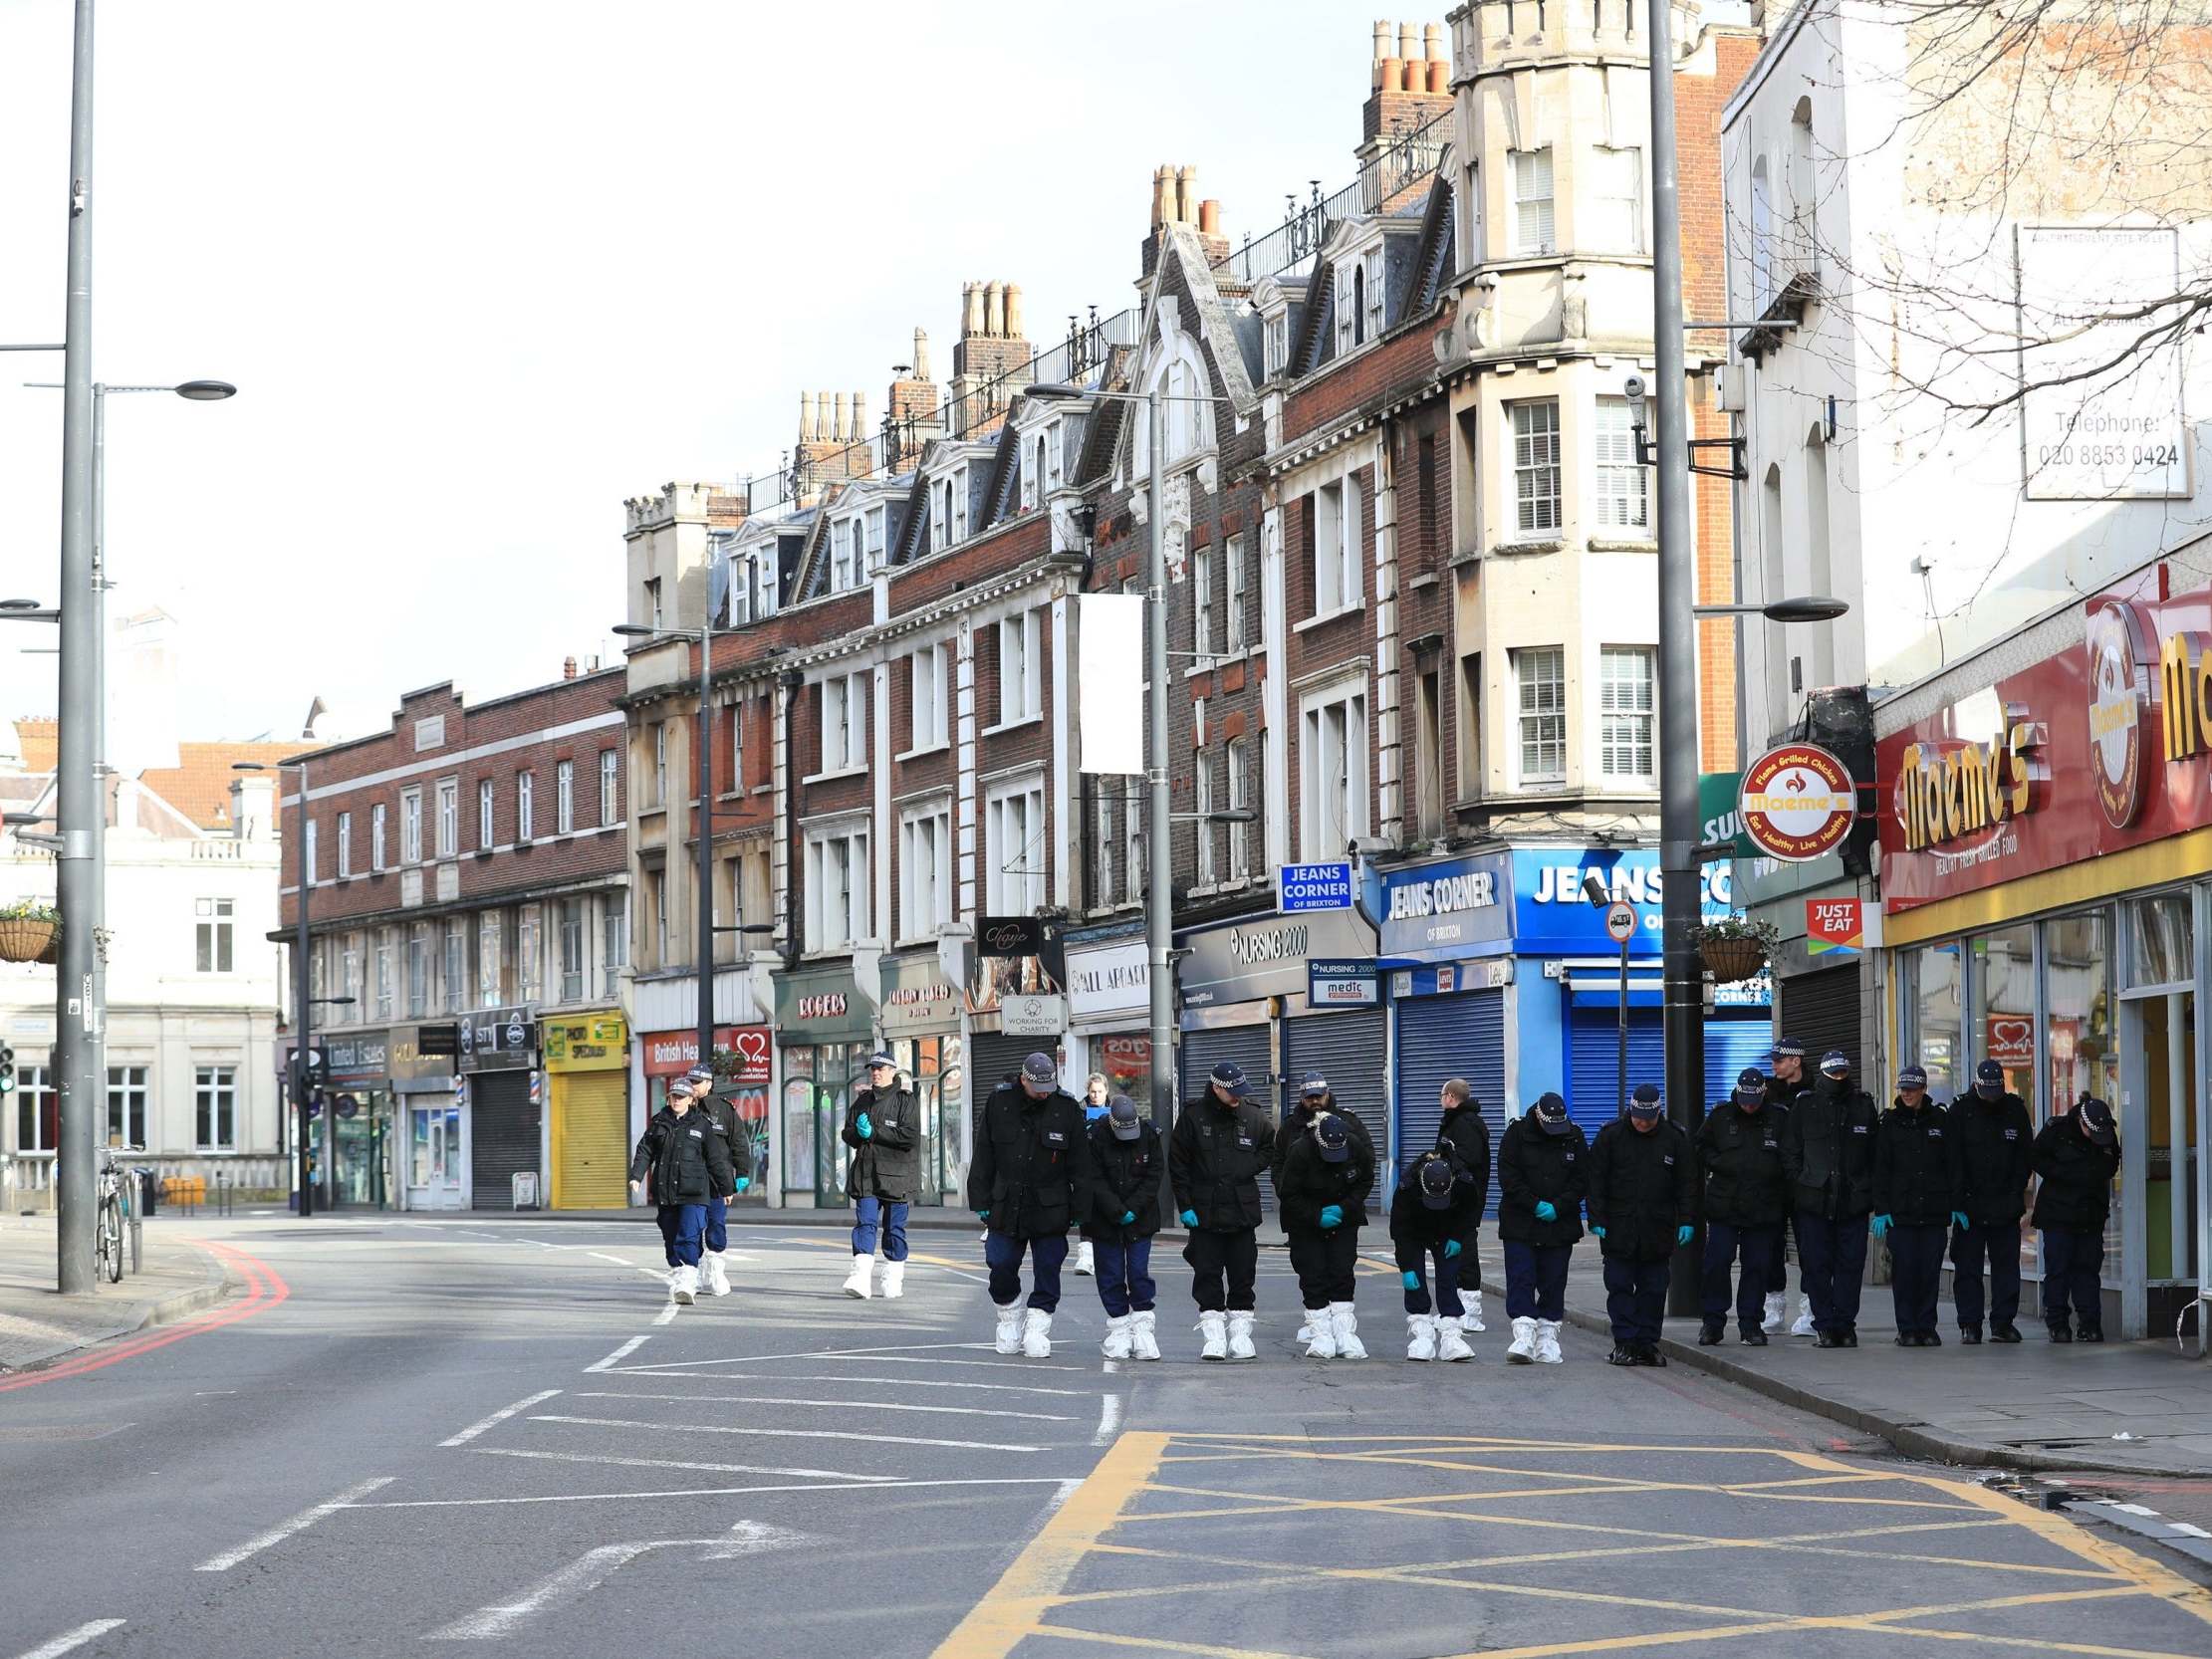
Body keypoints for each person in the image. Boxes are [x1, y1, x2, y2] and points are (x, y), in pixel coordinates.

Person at [967, 1053, 1090, 1357]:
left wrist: (1080, 1210)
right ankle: (1009, 1316)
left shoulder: (1067, 1108)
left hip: (1051, 1204)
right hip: (1006, 1201)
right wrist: (980, 1198)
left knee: (1048, 1267)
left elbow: (1081, 1165)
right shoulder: (999, 1103)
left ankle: (1037, 1325)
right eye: (1039, 1086)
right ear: (1023, 1080)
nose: (1045, 1091)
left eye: (1050, 1084)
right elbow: (984, 1153)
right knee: (999, 1262)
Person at [1168, 1061, 1276, 1361]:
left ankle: (1241, 1337)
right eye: (1232, 1092)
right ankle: (1214, 1338)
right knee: (1207, 1275)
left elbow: (1270, 1146)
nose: (1238, 1097)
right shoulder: (1192, 1117)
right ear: (1216, 1088)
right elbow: (1178, 1164)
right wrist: (1185, 1206)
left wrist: (1248, 1167)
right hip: (1204, 1212)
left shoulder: (1252, 1114)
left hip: (1242, 1211)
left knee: (1243, 1276)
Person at [1589, 1082, 1696, 1367]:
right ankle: (1624, 1342)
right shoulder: (1611, 1136)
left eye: (1648, 1119)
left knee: (1654, 1289)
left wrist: (1687, 1220)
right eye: (1638, 1117)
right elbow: (1595, 1180)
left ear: (1658, 1112)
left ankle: (1647, 1343)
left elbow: (1687, 1185)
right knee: (1620, 1286)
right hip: (1618, 1227)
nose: (1642, 1123)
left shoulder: (1674, 1138)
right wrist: (1596, 1218)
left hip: (1657, 1229)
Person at [1782, 1052, 1880, 1348]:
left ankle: (1845, 1324)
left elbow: (1875, 1154)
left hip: (1853, 1202)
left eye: (1842, 1074)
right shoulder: (1805, 1106)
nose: (1838, 1079)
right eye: (1833, 1074)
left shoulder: (1862, 1106)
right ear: (1824, 1074)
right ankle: (1823, 1324)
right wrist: (1801, 1184)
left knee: (1850, 1266)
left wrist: (1868, 1189)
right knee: (1816, 1266)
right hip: (1814, 1202)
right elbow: (1790, 1152)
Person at [1274, 1071, 1374, 1343]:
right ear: (1301, 1098)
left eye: (1319, 1096)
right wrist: (1310, 1213)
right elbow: (1280, 1173)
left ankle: (1342, 1330)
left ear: (1327, 1094)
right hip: (1304, 1215)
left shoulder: (1349, 1125)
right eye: (1309, 1097)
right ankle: (1317, 1324)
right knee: (1311, 1270)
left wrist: (1346, 1207)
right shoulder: (1290, 1130)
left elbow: (1366, 1169)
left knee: (1342, 1270)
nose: (1315, 1101)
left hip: (1344, 1212)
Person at [1696, 1067, 1788, 1346]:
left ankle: (1750, 1324)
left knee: (1757, 1267)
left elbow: (1791, 1155)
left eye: (1754, 1099)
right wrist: (1719, 1164)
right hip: (1725, 1206)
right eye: (1744, 1097)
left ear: (1763, 1094)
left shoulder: (1779, 1118)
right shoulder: (1720, 1116)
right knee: (1716, 1263)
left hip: (1763, 1207)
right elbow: (1700, 1147)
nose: (1749, 1104)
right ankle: (1713, 1323)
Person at [1496, 1091, 1587, 1364]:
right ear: (1538, 1115)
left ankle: (1547, 1339)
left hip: (1559, 1224)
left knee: (1554, 1281)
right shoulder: (1516, 1135)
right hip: (1520, 1222)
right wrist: (1534, 1204)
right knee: (1521, 1277)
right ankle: (1523, 1336)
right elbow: (1508, 1177)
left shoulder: (1574, 1135)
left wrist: (1559, 1206)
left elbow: (1582, 1178)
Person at [1871, 1064, 1958, 1347]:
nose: (1906, 1094)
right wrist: (1882, 1209)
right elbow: (1880, 1169)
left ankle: (1927, 1326)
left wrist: (1954, 1204)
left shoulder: (1940, 1121)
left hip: (1933, 1212)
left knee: (1929, 1273)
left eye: (1911, 1089)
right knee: (1905, 1273)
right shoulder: (1890, 1123)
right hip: (1902, 1213)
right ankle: (1907, 1327)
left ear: (1923, 1090)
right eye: (1903, 1089)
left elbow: (1952, 1166)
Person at [628, 1078, 735, 1306]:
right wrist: (636, 1176)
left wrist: (726, 1188)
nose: (676, 1100)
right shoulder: (659, 1122)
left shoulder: (701, 1124)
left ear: (691, 1099)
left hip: (695, 1192)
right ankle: (683, 1273)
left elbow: (715, 1159)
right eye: (673, 1096)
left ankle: (686, 1283)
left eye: (681, 1097)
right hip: (666, 1192)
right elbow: (644, 1150)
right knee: (670, 1235)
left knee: (688, 1233)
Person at [1951, 1058, 2034, 1344]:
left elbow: (2025, 1156)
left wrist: (2016, 1191)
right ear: (1976, 1085)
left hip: (2004, 1205)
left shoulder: (2014, 1110)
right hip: (1969, 1207)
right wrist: (1956, 1202)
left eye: (1995, 1092)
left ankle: (2003, 1323)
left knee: (2007, 1269)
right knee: (1968, 1270)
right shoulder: (1961, 1111)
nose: (1991, 1100)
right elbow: (1952, 1159)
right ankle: (1970, 1324)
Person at [2031, 1094, 2120, 1342]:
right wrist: (2065, 1174)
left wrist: (2090, 1175)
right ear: (2082, 1122)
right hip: (2058, 1214)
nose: (2096, 1139)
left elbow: (2112, 1163)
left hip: (2090, 1215)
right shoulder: (2057, 1131)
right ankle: (2057, 1324)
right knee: (2058, 1270)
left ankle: (2090, 1323)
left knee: (2088, 1270)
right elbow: (2036, 1157)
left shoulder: (2105, 1134)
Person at [1085, 1094, 1163, 1360]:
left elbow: (1154, 1175)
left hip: (1140, 1218)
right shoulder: (1096, 1136)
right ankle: (1119, 1329)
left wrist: (1133, 1208)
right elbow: (1093, 1177)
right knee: (1110, 1275)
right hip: (1106, 1219)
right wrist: (1117, 1210)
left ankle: (1143, 1331)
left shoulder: (1150, 1134)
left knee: (1139, 1272)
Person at [841, 1053, 919, 1301]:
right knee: (865, 1224)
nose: (876, 1072)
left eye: (881, 1068)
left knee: (894, 1229)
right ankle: (860, 1277)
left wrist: (874, 1132)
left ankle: (892, 1278)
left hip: (897, 1176)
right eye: (873, 1068)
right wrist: (857, 1133)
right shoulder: (862, 1101)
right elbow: (848, 1134)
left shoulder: (906, 1101)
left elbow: (908, 1137)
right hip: (866, 1175)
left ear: (893, 1071)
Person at [1390, 1152, 1480, 1361]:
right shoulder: (1408, 1186)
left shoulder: (1464, 1183)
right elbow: (1400, 1230)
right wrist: (1406, 1267)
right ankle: (1422, 1337)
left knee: (1448, 1279)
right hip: (1414, 1233)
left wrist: (1458, 1237)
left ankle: (1451, 1338)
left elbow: (1470, 1212)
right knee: (1415, 1283)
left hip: (1448, 1232)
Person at [684, 1065, 755, 1299]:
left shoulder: (723, 1110)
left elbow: (739, 1143)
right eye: (690, 1082)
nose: (693, 1086)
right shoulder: (681, 1107)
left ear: (709, 1084)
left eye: (697, 1082)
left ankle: (715, 1271)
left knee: (716, 1225)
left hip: (717, 1181)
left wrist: (742, 1172)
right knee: (691, 1228)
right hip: (689, 1181)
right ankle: (691, 1274)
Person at [1434, 1078, 1493, 1335]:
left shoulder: (1464, 1125)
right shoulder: (1456, 1122)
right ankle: (1457, 1308)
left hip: (1465, 1198)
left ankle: (1471, 1311)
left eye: (1441, 1094)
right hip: (1454, 1197)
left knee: (1466, 1246)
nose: (1440, 1099)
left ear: (1450, 1096)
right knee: (1455, 1248)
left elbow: (1468, 1161)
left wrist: (1450, 1168)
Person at [1765, 1039, 1812, 1334]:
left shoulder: (1815, 1092)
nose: (1774, 1065)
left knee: (1809, 1246)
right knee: (1770, 1245)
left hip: (1805, 1182)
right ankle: (1774, 1306)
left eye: (1780, 1060)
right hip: (1772, 1181)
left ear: (1795, 1061)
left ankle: (1810, 1308)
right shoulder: (1767, 1093)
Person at [1072, 1073, 1112, 1280]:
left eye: (1099, 1091)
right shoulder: (1078, 1111)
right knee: (1086, 1211)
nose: (1096, 1095)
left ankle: (1105, 1257)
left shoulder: (1117, 1111)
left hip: (1110, 1170)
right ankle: (1086, 1257)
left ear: (1106, 1091)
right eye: (1092, 1092)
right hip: (1086, 1169)